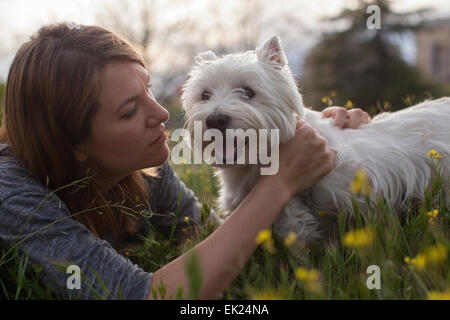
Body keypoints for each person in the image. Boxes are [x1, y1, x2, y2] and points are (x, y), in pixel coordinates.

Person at [0, 23, 370, 300]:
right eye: (131, 110)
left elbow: (209, 240)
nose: (161, 113)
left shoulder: (146, 170)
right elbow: (143, 296)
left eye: (148, 88)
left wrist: (313, 129)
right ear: (70, 143)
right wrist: (279, 181)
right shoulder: (11, 196)